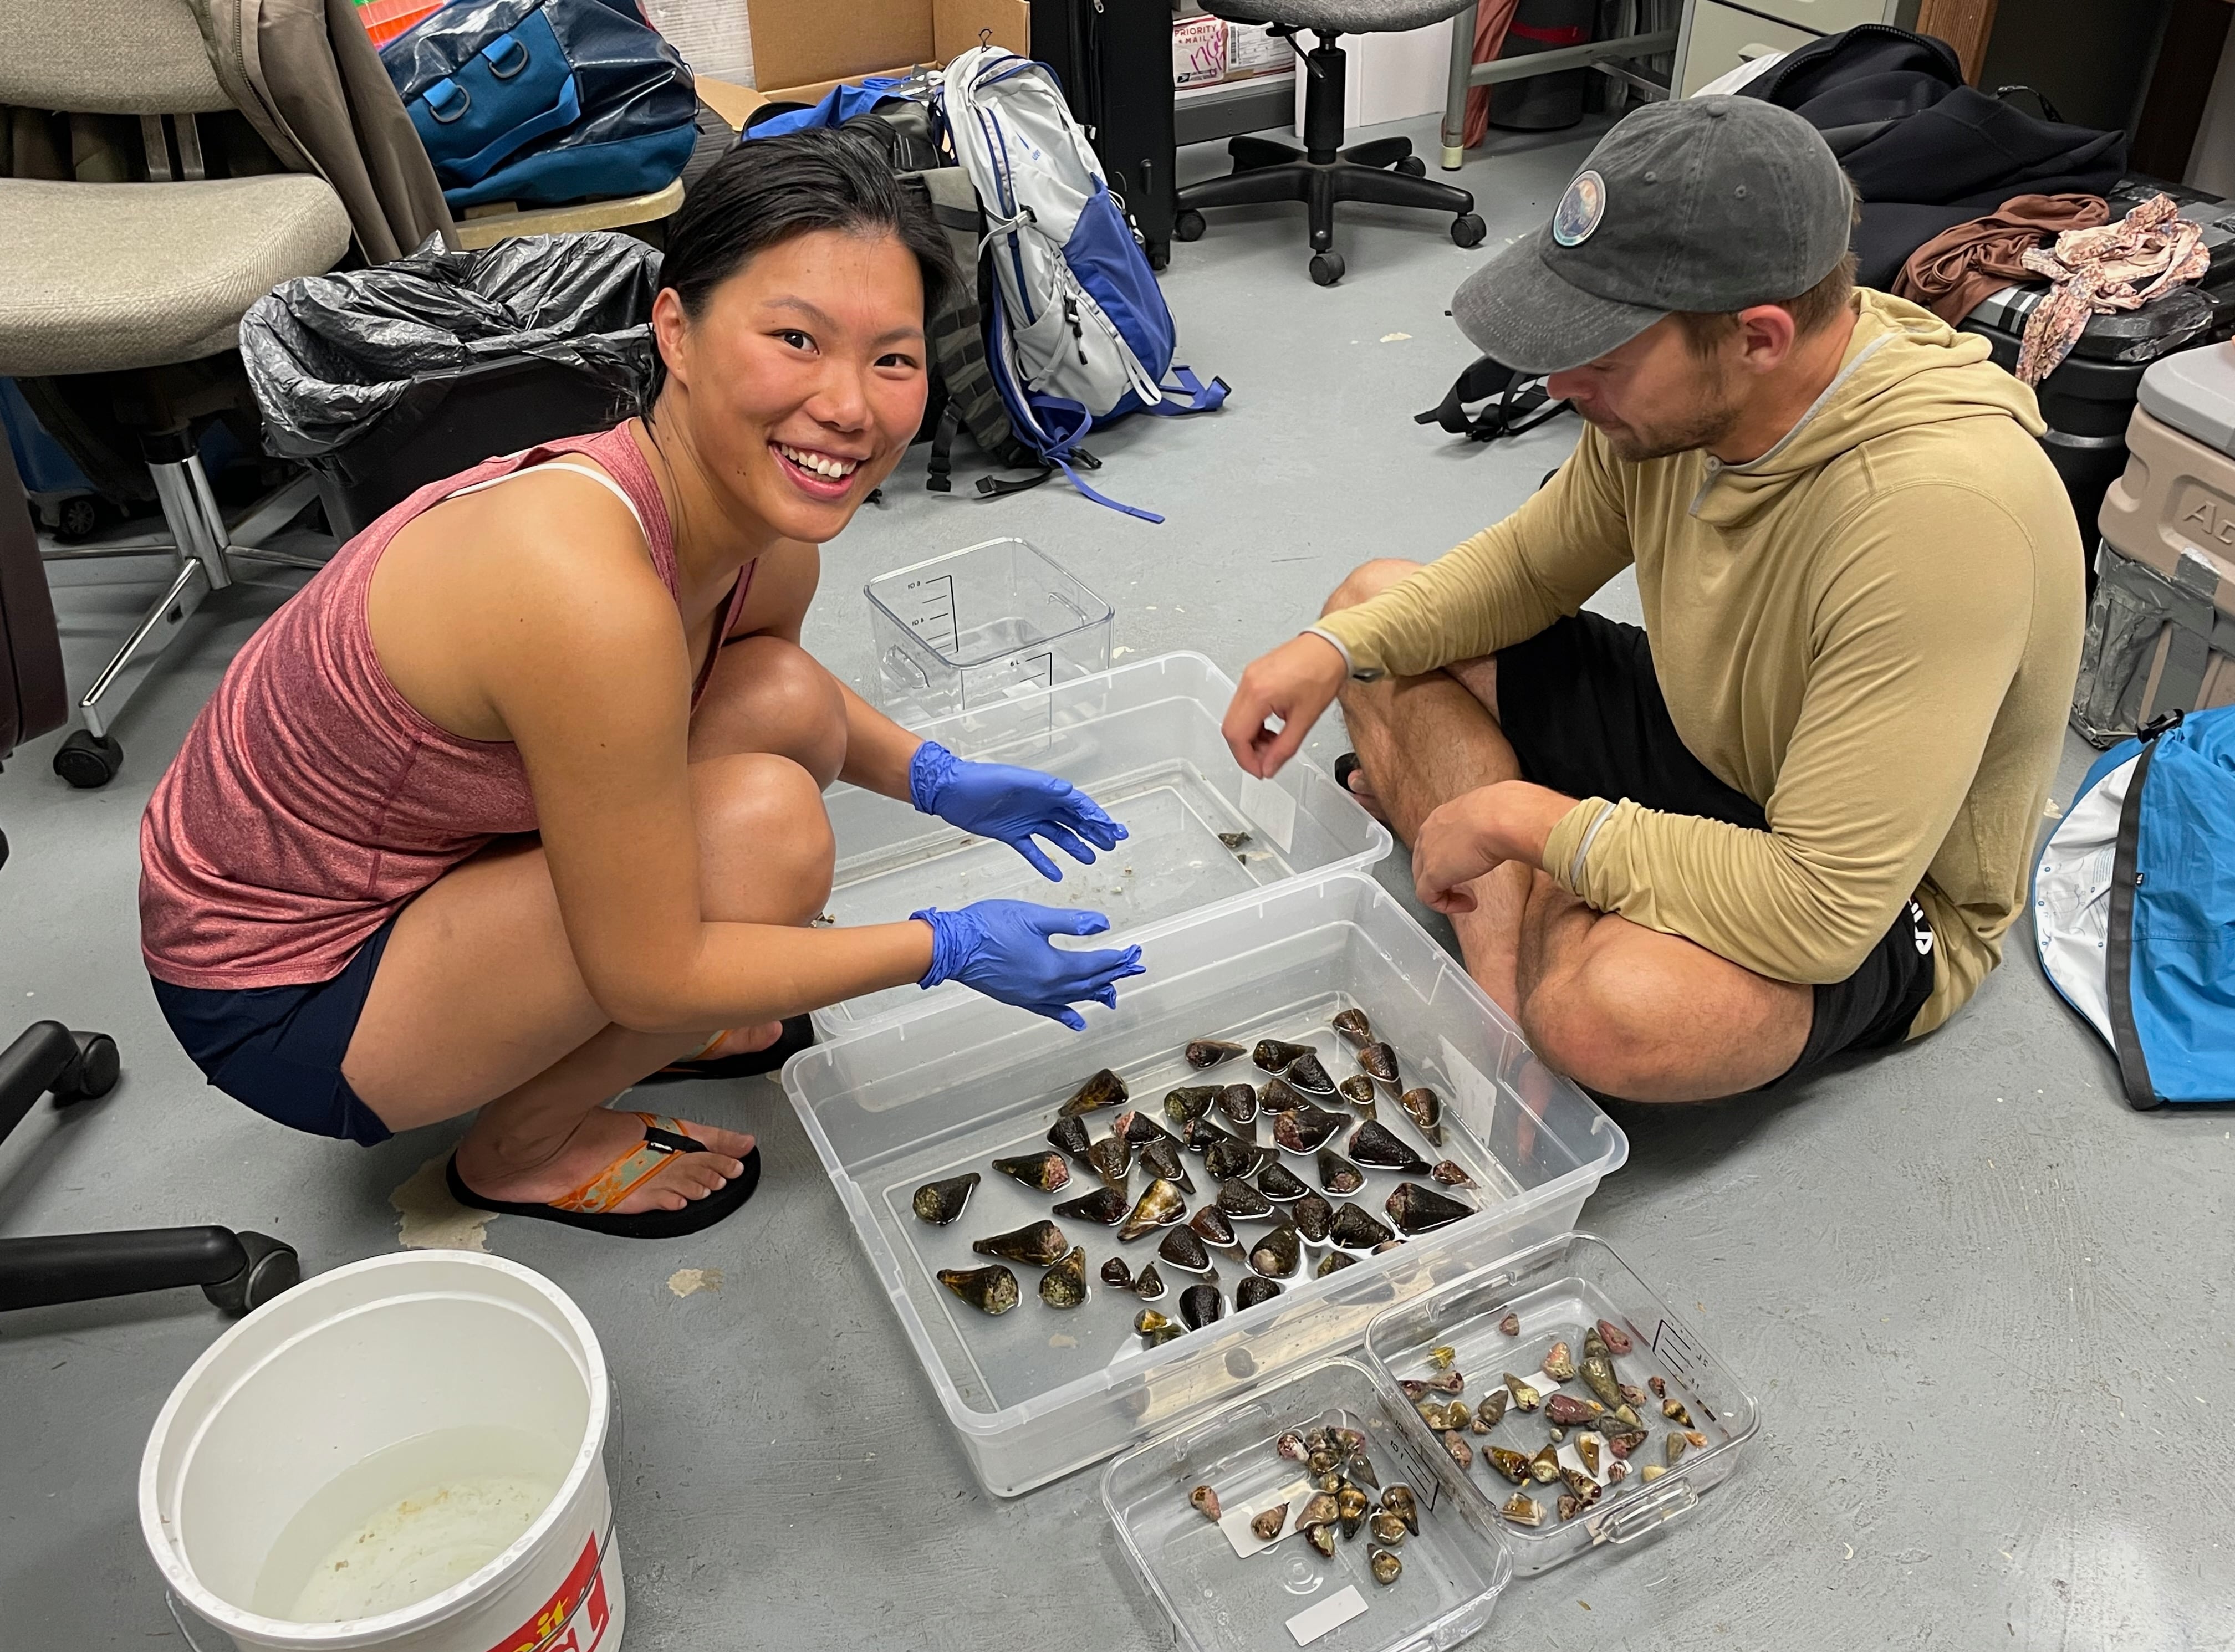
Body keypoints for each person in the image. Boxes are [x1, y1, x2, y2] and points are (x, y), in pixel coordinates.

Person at [139, 131, 1145, 1236]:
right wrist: (945, 945)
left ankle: (673, 1018)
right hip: (287, 987)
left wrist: (940, 779)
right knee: (770, 842)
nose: (851, 408)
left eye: (892, 359)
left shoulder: (757, 519)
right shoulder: (583, 588)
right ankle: (522, 1145)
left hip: (434, 861)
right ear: (677, 331)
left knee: (776, 696)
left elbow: (774, 688)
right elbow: (648, 969)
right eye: (796, 339)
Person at [1222, 98, 2084, 1103]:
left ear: (1759, 337)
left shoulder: (1939, 514)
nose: (1555, 386)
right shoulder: (1673, 407)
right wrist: (1333, 647)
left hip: (1871, 887)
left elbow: (1822, 906)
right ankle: (1507, 1000)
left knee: (1620, 1012)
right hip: (1710, 742)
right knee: (1376, 611)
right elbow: (1529, 574)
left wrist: (1523, 821)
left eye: (1604, 353)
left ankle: (1521, 907)